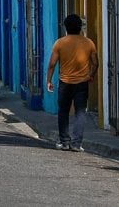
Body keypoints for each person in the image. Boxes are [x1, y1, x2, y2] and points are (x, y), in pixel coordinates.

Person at [46, 14, 98, 152]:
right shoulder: (89, 43)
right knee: (80, 112)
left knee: (63, 111)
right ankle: (76, 143)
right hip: (82, 83)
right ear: (80, 27)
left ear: (66, 28)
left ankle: (64, 142)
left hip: (65, 82)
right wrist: (91, 75)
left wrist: (49, 80)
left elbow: (52, 64)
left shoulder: (60, 43)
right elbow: (95, 63)